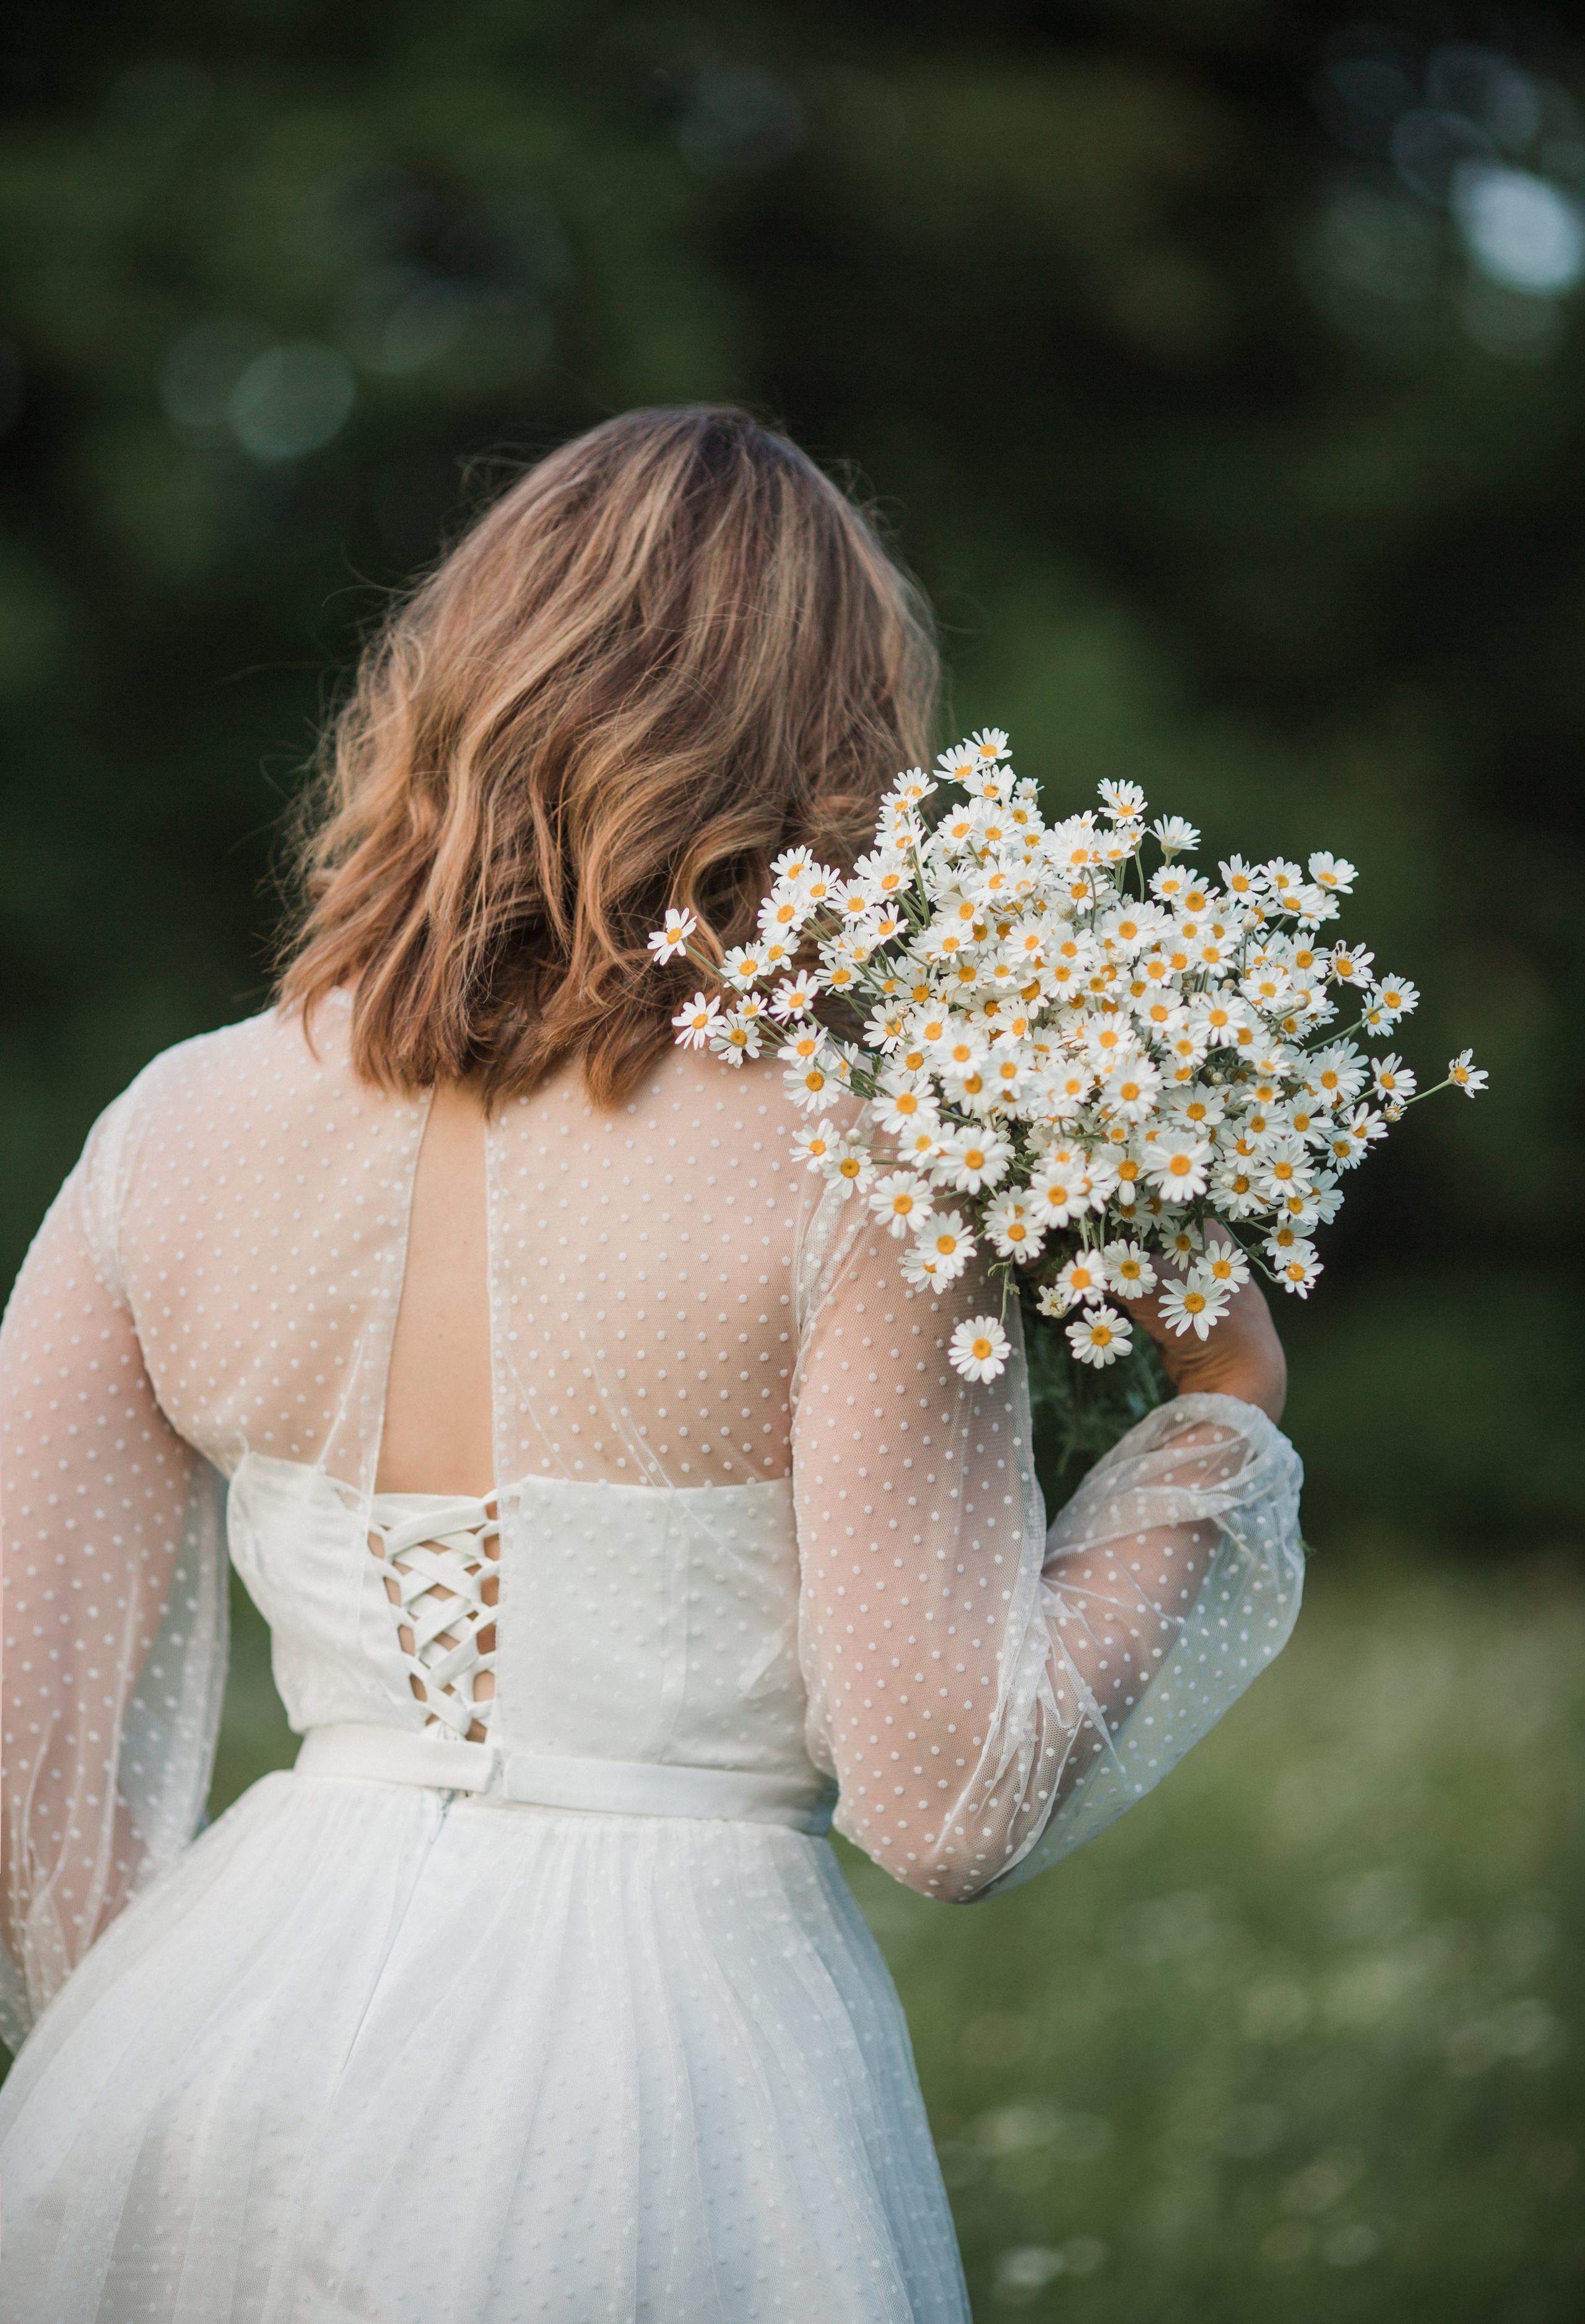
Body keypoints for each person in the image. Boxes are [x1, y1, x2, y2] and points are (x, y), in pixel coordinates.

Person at [0, 405, 1301, 2321]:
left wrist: (162, 2055)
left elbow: (33, 1755)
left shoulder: (165, 1134)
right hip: (663, 2075)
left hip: (201, 2049)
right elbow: (948, 1803)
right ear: (836, 739)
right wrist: (1221, 1424)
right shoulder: (866, 1159)